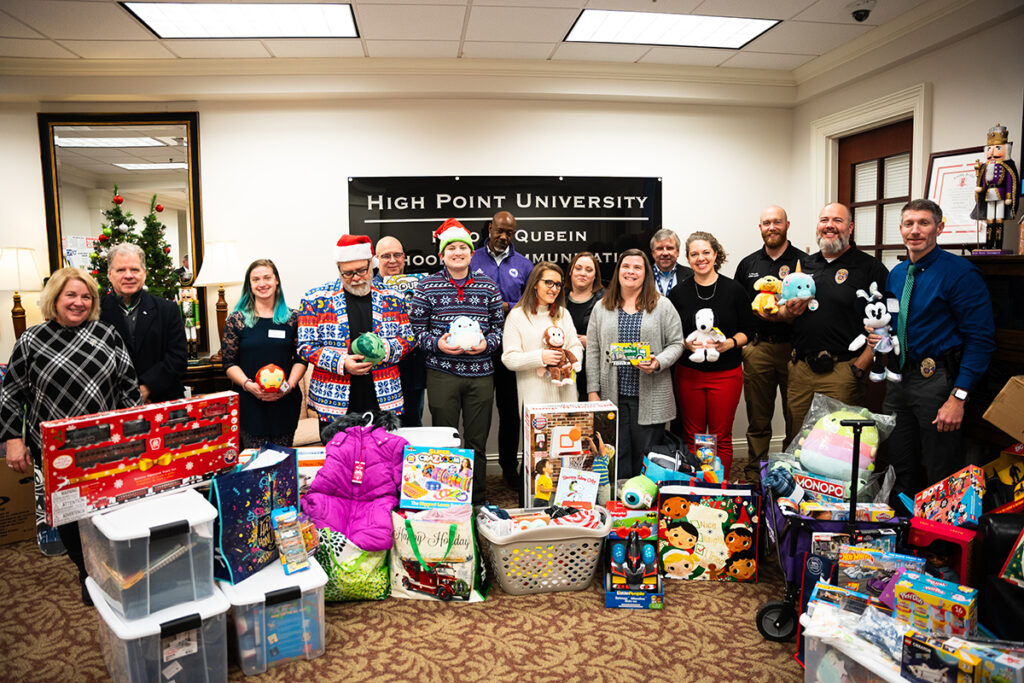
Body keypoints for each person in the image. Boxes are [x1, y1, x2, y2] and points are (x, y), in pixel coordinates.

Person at [1, 267, 140, 605]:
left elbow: (129, 388)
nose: (79, 302)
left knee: (109, 512)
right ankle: (87, 573)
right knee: (69, 517)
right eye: (71, 295)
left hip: (105, 446)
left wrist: (134, 435)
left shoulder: (108, 335)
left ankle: (116, 571)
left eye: (86, 297)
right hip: (56, 452)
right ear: (55, 299)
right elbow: (10, 394)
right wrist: (13, 440)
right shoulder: (31, 340)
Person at [881, 198, 995, 509]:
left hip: (938, 383)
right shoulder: (897, 273)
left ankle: (937, 547)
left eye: (924, 223)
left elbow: (981, 339)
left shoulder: (960, 273)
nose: (915, 230)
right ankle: (903, 534)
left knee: (940, 469)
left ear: (939, 228)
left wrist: (958, 397)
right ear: (901, 229)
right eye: (909, 223)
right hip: (899, 380)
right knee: (899, 463)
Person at [410, 219, 504, 503]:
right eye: (451, 249)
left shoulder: (488, 288)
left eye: (463, 247)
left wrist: (488, 344)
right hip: (442, 374)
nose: (457, 252)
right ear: (442, 255)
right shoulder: (426, 287)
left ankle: (476, 501)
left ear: (471, 253)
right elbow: (415, 332)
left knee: (476, 442)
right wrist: (436, 344)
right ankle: (447, 500)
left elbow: (499, 329)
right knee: (445, 441)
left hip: (480, 374)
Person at [778, 203, 889, 431]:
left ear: (851, 227)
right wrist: (788, 311)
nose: (829, 226)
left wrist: (859, 367)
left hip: (842, 371)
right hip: (801, 370)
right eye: (824, 220)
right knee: (797, 439)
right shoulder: (804, 265)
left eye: (837, 220)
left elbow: (884, 324)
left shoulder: (870, 268)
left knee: (837, 446)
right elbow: (783, 313)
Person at [296, 234, 414, 439]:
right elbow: (305, 346)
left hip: (383, 395)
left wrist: (384, 350)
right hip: (334, 398)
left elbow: (408, 339)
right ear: (339, 270)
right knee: (338, 462)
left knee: (382, 461)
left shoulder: (394, 297)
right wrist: (342, 363)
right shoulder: (314, 299)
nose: (357, 278)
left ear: (372, 264)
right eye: (348, 273)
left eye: (362, 270)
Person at [586, 249, 683, 481]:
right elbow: (593, 350)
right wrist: (592, 390)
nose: (630, 271)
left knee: (646, 460)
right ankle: (618, 509)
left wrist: (658, 361)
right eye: (626, 266)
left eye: (637, 267)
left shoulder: (663, 306)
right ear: (618, 271)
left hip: (650, 396)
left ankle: (644, 511)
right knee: (615, 459)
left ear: (646, 273)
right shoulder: (602, 307)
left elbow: (677, 343)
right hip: (613, 395)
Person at [668, 231, 753, 479]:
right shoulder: (678, 293)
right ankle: (697, 487)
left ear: (716, 254)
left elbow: (749, 330)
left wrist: (731, 343)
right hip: (689, 374)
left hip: (726, 374)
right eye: (694, 254)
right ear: (688, 258)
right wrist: (685, 344)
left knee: (720, 436)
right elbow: (673, 335)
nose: (700, 258)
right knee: (692, 436)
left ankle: (720, 488)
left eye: (706, 252)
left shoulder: (734, 290)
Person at [733, 206, 808, 480]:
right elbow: (739, 307)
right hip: (758, 349)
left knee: (795, 418)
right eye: (766, 223)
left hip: (794, 352)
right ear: (760, 227)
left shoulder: (804, 262)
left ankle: (790, 476)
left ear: (787, 224)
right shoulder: (748, 264)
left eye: (777, 222)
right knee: (758, 419)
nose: (772, 227)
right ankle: (754, 474)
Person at [471, 210, 534, 490]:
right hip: (478, 349)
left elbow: (531, 301)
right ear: (489, 228)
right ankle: (473, 473)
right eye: (499, 231)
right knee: (477, 413)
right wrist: (503, 304)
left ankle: (510, 470)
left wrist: (506, 305)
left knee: (510, 413)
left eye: (509, 233)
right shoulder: (471, 259)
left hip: (511, 348)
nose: (504, 237)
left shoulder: (523, 264)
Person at [221, 259, 307, 450]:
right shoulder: (236, 320)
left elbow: (302, 358)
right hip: (250, 403)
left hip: (285, 400)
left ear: (276, 281)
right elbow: (228, 363)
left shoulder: (293, 318)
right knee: (256, 466)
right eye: (256, 279)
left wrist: (288, 386)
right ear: (249, 285)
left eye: (267, 277)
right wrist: (249, 386)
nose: (262, 283)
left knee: (283, 462)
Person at [99, 243, 187, 403]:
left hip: (162, 401)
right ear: (109, 274)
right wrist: (129, 395)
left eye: (135, 270)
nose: (128, 275)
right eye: (121, 270)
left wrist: (146, 388)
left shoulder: (168, 310)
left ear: (144, 274)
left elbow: (178, 358)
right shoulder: (96, 312)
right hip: (114, 404)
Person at [501, 261, 583, 408]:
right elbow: (509, 358)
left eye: (558, 284)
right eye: (548, 283)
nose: (554, 289)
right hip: (535, 404)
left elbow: (575, 345)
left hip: (567, 400)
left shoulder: (563, 314)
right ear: (534, 284)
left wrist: (571, 362)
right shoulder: (517, 316)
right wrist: (540, 357)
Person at [373, 235, 427, 428]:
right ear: (376, 259)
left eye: (397, 255)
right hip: (381, 371)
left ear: (404, 257)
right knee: (383, 428)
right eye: (386, 256)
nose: (393, 260)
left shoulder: (420, 285)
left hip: (412, 369)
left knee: (413, 422)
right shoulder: (367, 289)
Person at [565, 252, 605, 402]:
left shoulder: (606, 300)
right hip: (563, 373)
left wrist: (594, 342)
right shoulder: (557, 297)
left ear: (595, 276)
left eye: (589, 270)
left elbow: (617, 337)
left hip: (594, 373)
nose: (583, 273)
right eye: (578, 268)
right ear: (570, 271)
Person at [650, 228, 694, 297]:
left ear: (678, 252)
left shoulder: (691, 275)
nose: (665, 253)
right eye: (660, 248)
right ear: (653, 253)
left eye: (669, 248)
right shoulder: (644, 275)